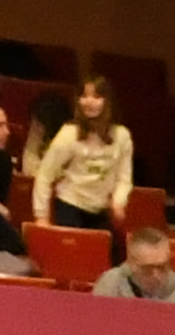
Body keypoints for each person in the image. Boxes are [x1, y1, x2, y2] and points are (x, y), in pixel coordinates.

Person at [32, 73, 137, 229]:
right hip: (70, 204)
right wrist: (41, 216)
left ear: (107, 101)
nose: (89, 102)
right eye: (84, 96)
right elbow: (45, 175)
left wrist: (118, 202)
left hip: (100, 209)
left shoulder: (122, 136)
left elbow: (124, 178)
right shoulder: (69, 133)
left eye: (96, 97)